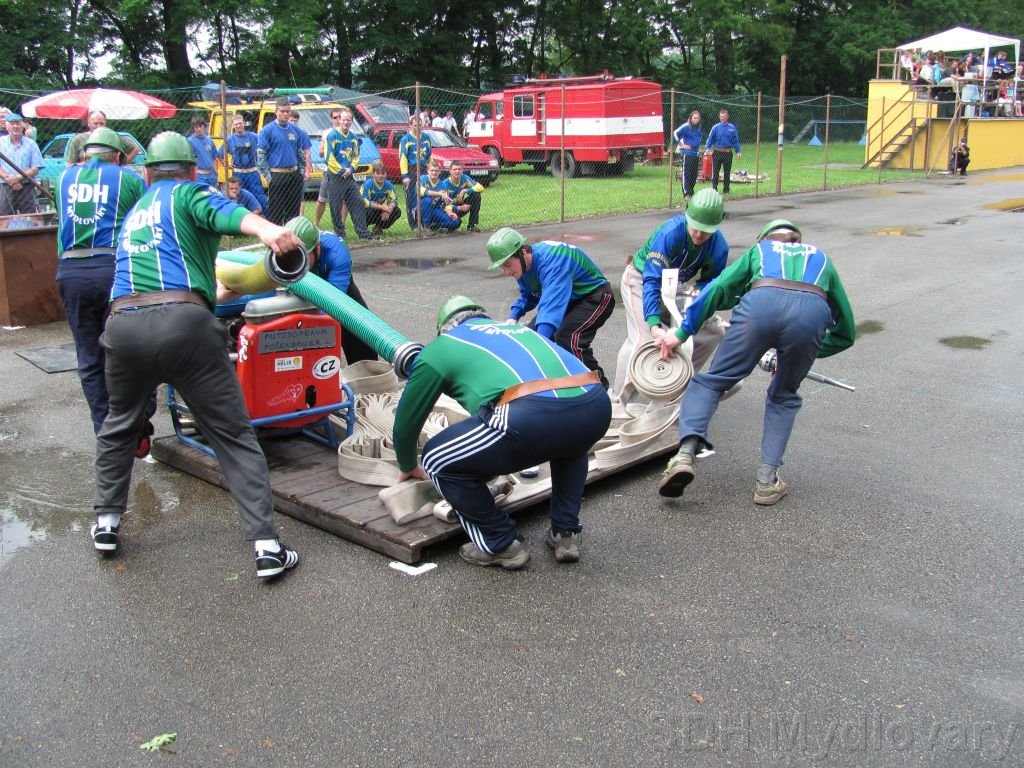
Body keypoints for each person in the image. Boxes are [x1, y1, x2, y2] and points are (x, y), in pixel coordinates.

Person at [92, 131, 304, 580]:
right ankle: (267, 548)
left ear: (147, 172)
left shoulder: (135, 213)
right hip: (184, 326)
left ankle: (106, 523)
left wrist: (211, 293)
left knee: (119, 424)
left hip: (123, 325)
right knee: (232, 434)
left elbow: (171, 277)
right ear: (192, 170)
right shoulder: (189, 193)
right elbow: (225, 212)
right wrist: (268, 230)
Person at [392, 296, 612, 568]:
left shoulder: (440, 348)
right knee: (571, 441)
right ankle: (565, 532)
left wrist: (407, 464)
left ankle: (500, 543)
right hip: (595, 404)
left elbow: (406, 423)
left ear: (444, 328)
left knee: (437, 459)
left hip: (530, 415)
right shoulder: (517, 330)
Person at [656, 219, 855, 504]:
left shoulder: (760, 251)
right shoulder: (822, 258)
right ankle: (766, 482)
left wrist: (682, 332)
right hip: (811, 316)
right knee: (783, 396)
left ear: (765, 238)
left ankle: (684, 456)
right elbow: (846, 333)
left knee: (710, 383)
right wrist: (799, 353)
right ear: (797, 241)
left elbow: (718, 288)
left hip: (760, 304)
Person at [55, 128, 147, 437]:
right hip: (114, 269)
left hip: (71, 271)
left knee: (89, 356)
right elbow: (144, 223)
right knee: (130, 348)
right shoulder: (130, 179)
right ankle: (137, 422)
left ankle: (106, 431)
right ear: (117, 156)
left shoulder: (64, 179)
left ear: (86, 153)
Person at [610, 188, 729, 403]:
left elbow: (711, 284)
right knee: (644, 341)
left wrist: (698, 293)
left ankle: (676, 383)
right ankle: (617, 403)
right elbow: (651, 280)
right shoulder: (670, 233)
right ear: (687, 215)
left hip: (674, 288)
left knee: (712, 330)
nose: (699, 235)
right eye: (695, 227)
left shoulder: (719, 247)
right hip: (640, 279)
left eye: (706, 231)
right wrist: (654, 325)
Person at [487, 227, 615, 388]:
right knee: (530, 338)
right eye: (502, 267)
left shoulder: (554, 262)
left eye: (507, 264)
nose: (506, 272)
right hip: (569, 300)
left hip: (595, 296)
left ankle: (600, 388)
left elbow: (550, 309)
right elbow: (529, 294)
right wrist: (514, 316)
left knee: (567, 338)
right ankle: (561, 385)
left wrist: (541, 346)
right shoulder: (524, 266)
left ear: (523, 252)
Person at [284, 216, 377, 364]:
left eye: (302, 256)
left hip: (336, 293)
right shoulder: (279, 252)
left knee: (362, 339)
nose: (296, 262)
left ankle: (364, 370)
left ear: (317, 247)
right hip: (296, 291)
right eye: (290, 256)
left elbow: (332, 304)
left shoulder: (337, 254)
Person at [257, 98, 311, 225]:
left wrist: (301, 171)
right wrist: (268, 177)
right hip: (277, 174)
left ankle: (291, 236)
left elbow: (300, 153)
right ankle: (276, 237)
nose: (285, 114)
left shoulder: (296, 130)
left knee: (293, 213)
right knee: (276, 212)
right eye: (282, 111)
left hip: (294, 175)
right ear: (276, 111)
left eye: (288, 111)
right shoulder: (267, 130)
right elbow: (261, 154)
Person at [324, 106, 373, 240]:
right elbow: (329, 158)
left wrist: (351, 169)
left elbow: (356, 156)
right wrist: (341, 170)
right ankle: (340, 234)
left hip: (349, 176)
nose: (346, 122)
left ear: (351, 121)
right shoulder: (332, 136)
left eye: (349, 120)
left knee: (358, 201)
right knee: (335, 206)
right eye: (344, 120)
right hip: (335, 176)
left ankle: (363, 233)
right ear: (339, 120)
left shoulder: (353, 137)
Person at [222, 115, 268, 212]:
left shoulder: (253, 136)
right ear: (233, 125)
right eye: (236, 124)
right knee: (239, 198)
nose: (238, 126)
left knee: (260, 197)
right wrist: (226, 164)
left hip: (252, 172)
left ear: (244, 123)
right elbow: (219, 154)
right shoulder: (230, 140)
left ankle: (264, 217)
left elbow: (264, 146)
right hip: (238, 173)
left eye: (240, 123)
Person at [0, 113, 43, 216]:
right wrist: (9, 179)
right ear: (7, 126)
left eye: (18, 123)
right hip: (5, 186)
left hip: (27, 186)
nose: (15, 126)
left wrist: (18, 178)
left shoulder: (31, 144)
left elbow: (36, 167)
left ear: (22, 125)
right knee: (5, 219)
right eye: (12, 123)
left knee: (30, 218)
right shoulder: (0, 142)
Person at [64, 111, 140, 166]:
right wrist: (86, 164)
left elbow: (135, 149)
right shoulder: (78, 139)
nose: (99, 126)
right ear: (89, 123)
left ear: (105, 123)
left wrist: (122, 164)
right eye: (95, 123)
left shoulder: (113, 136)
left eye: (102, 123)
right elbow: (69, 164)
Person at [399, 116, 432, 228]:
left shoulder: (426, 138)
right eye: (415, 125)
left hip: (423, 169)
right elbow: (403, 158)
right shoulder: (406, 139)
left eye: (419, 125)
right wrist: (405, 176)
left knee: (425, 195)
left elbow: (429, 156)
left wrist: (430, 169)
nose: (417, 127)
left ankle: (425, 222)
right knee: (411, 198)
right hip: (411, 170)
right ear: (410, 125)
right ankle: (414, 225)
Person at [704, 109, 742, 194]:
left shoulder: (732, 128)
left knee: (727, 172)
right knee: (715, 172)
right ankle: (714, 188)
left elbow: (736, 141)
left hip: (728, 153)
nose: (722, 118)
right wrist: (707, 148)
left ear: (727, 117)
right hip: (717, 152)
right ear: (719, 117)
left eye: (724, 116)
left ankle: (726, 189)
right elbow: (710, 139)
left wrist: (738, 151)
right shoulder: (715, 128)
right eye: (721, 117)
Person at [440, 160, 484, 232]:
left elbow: (480, 187)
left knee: (476, 195)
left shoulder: (465, 178)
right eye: (455, 169)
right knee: (456, 223)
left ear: (462, 170)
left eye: (459, 169)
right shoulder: (445, 184)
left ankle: (472, 225)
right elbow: (444, 206)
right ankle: (440, 225)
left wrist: (465, 190)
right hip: (449, 210)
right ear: (450, 171)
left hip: (460, 206)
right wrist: (459, 208)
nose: (457, 171)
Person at [417, 159, 460, 231]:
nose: (434, 173)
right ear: (428, 171)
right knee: (427, 200)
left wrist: (450, 213)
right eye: (432, 170)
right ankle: (426, 226)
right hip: (421, 209)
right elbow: (420, 191)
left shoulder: (443, 184)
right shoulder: (423, 178)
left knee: (455, 222)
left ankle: (434, 225)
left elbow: (446, 203)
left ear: (440, 172)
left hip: (435, 209)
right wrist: (439, 194)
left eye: (436, 171)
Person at [360, 160, 401, 235]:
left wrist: (388, 210)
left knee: (397, 211)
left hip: (378, 210)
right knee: (367, 210)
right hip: (365, 210)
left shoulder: (388, 185)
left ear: (386, 174)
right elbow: (364, 202)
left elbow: (394, 200)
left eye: (383, 173)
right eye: (378, 173)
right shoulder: (368, 184)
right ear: (373, 174)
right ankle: (363, 230)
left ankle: (378, 228)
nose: (381, 176)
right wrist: (382, 207)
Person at [673, 110, 703, 199]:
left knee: (694, 174)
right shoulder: (686, 127)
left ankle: (691, 191)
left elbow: (699, 138)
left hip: (695, 154)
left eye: (697, 118)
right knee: (687, 174)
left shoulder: (699, 129)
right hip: (687, 154)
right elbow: (675, 133)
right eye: (694, 118)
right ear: (691, 118)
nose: (696, 120)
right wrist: (682, 145)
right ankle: (686, 193)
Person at [187, 116, 219, 188]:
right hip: (199, 176)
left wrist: (216, 172)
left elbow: (214, 158)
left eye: (200, 126)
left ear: (204, 126)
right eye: (196, 127)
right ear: (193, 129)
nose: (199, 129)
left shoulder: (209, 140)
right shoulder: (190, 141)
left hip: (212, 176)